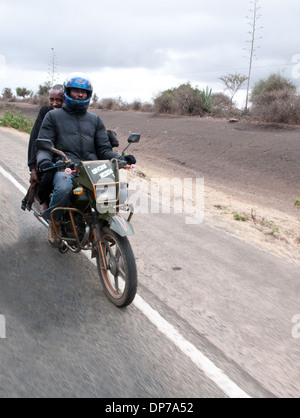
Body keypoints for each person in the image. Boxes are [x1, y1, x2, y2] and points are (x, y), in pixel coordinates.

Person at [37, 72, 136, 246]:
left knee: (118, 190)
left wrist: (122, 158)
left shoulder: (95, 120)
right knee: (63, 187)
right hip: (66, 168)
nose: (80, 94)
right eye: (76, 91)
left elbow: (104, 149)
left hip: (92, 169)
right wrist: (44, 161)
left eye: (84, 92)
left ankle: (103, 223)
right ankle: (56, 223)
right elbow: (44, 146)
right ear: (68, 92)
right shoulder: (53, 117)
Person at [27, 85, 64, 212]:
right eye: (52, 99)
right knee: (48, 173)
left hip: (67, 155)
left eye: (59, 100)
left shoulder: (72, 115)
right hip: (49, 154)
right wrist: (32, 167)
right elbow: (34, 138)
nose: (55, 103)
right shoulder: (45, 112)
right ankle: (45, 202)